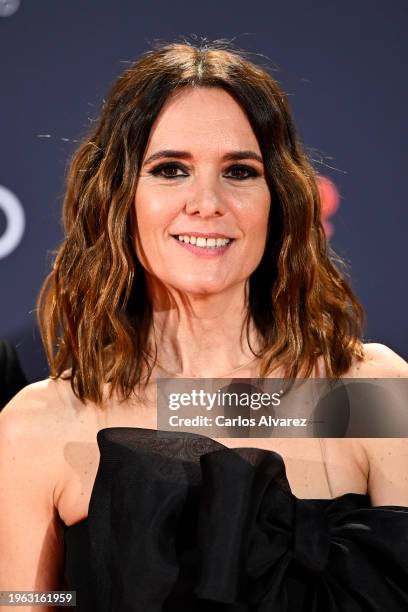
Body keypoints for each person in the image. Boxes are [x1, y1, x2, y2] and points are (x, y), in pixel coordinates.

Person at [1, 40, 407, 611]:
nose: (207, 201)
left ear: (279, 199)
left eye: (239, 171)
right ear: (120, 198)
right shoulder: (37, 427)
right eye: (170, 170)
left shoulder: (371, 393)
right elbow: (24, 602)